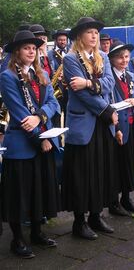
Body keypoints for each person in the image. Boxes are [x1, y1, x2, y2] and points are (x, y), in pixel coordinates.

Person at [0, 30, 61, 258]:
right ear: (17, 51)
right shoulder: (8, 77)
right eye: (26, 47)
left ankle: (37, 233)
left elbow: (53, 103)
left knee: (39, 191)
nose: (31, 51)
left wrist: (40, 117)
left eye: (34, 48)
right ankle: (17, 240)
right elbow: (18, 113)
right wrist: (40, 139)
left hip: (42, 135)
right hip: (22, 145)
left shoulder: (42, 73)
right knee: (20, 195)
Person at [62, 17, 117, 240]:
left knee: (101, 169)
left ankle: (96, 214)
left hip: (101, 124)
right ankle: (79, 221)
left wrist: (88, 82)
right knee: (82, 173)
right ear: (79, 36)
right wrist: (106, 111)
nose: (94, 36)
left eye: (96, 32)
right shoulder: (70, 58)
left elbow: (110, 83)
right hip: (84, 123)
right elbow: (80, 95)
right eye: (89, 32)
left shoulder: (103, 56)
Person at [108, 40, 134, 216]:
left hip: (132, 125)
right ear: (112, 59)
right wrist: (115, 129)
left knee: (130, 162)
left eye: (127, 57)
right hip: (118, 126)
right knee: (117, 165)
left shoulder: (130, 76)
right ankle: (114, 202)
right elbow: (108, 104)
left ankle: (127, 198)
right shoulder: (109, 78)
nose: (124, 60)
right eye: (120, 57)